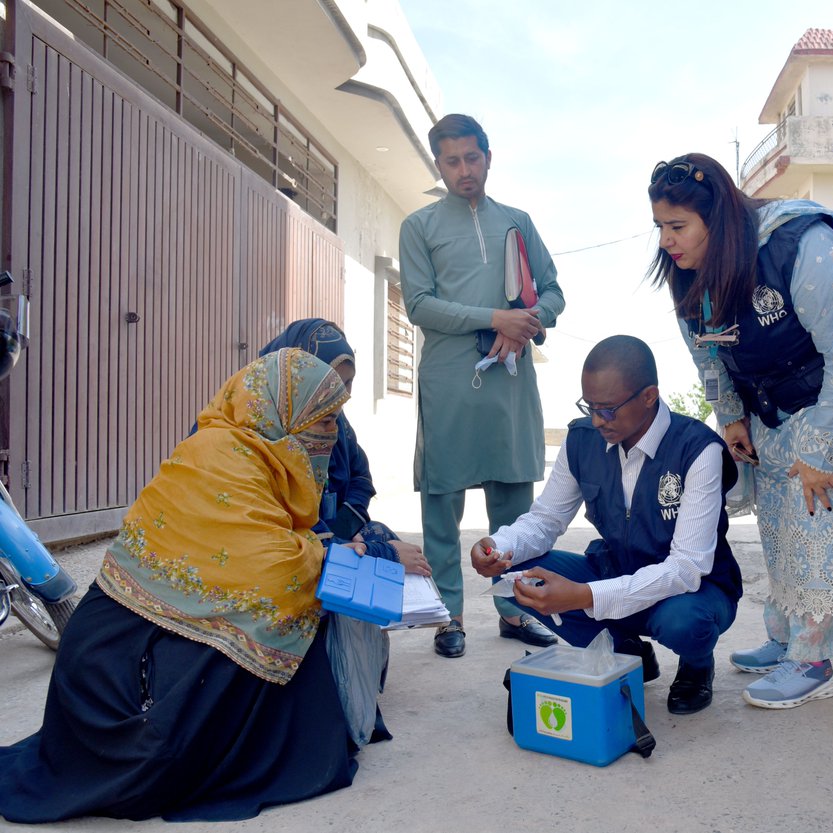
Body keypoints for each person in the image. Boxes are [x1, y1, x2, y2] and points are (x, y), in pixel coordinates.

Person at [0, 349, 379, 822]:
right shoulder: (222, 457)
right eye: (324, 422)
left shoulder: (249, 453)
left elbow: (270, 548)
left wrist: (323, 552)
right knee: (297, 606)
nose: (334, 435)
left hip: (129, 655)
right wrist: (331, 554)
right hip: (114, 690)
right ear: (283, 415)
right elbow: (275, 572)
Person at [647, 153, 833, 710]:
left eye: (678, 227)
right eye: (660, 228)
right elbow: (706, 356)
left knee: (819, 522)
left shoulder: (798, 242)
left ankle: (815, 659)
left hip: (831, 396)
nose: (668, 242)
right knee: (779, 524)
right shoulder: (687, 269)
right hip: (765, 403)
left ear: (716, 220)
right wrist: (730, 417)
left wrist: (820, 451)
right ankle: (786, 633)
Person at [470, 335, 741, 715]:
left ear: (649, 396)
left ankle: (697, 665)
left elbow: (686, 568)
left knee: (683, 621)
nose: (597, 420)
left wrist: (584, 596)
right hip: (617, 569)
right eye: (590, 406)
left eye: (609, 409)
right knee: (517, 575)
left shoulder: (698, 450)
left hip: (689, 590)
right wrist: (498, 546)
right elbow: (546, 519)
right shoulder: (582, 440)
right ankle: (627, 654)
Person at [400, 114, 565, 658]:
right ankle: (447, 616)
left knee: (513, 500)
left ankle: (514, 611)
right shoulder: (419, 226)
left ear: (488, 157)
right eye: (452, 161)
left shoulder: (517, 222)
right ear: (439, 165)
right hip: (449, 378)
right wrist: (497, 316)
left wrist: (525, 326)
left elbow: (554, 295)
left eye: (472, 158)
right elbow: (420, 305)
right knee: (441, 499)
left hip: (509, 378)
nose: (464, 170)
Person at [259, 318, 430, 577]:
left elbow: (361, 477)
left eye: (347, 384)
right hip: (279, 559)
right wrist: (376, 554)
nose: (340, 397)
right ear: (298, 380)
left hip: (326, 542)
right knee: (385, 562)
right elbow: (281, 539)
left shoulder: (334, 422)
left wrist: (347, 531)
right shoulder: (257, 435)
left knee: (393, 551)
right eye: (329, 385)